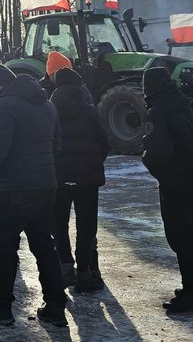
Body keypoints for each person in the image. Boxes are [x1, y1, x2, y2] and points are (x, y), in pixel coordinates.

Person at [0, 64, 68, 328]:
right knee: (44, 246)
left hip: (13, 189)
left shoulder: (3, 106)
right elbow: (57, 145)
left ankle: (0, 307)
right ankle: (56, 307)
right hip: (45, 187)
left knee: (4, 248)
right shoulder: (47, 105)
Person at [141, 66, 193, 313]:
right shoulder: (183, 105)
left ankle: (192, 293)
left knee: (180, 237)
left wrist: (150, 163)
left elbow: (157, 151)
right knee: (192, 234)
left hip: (176, 181)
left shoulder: (157, 112)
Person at [49, 67, 109, 292]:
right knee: (86, 224)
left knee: (58, 223)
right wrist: (93, 162)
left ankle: (65, 266)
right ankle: (85, 271)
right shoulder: (90, 111)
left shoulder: (49, 111)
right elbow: (104, 143)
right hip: (87, 178)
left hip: (58, 178)